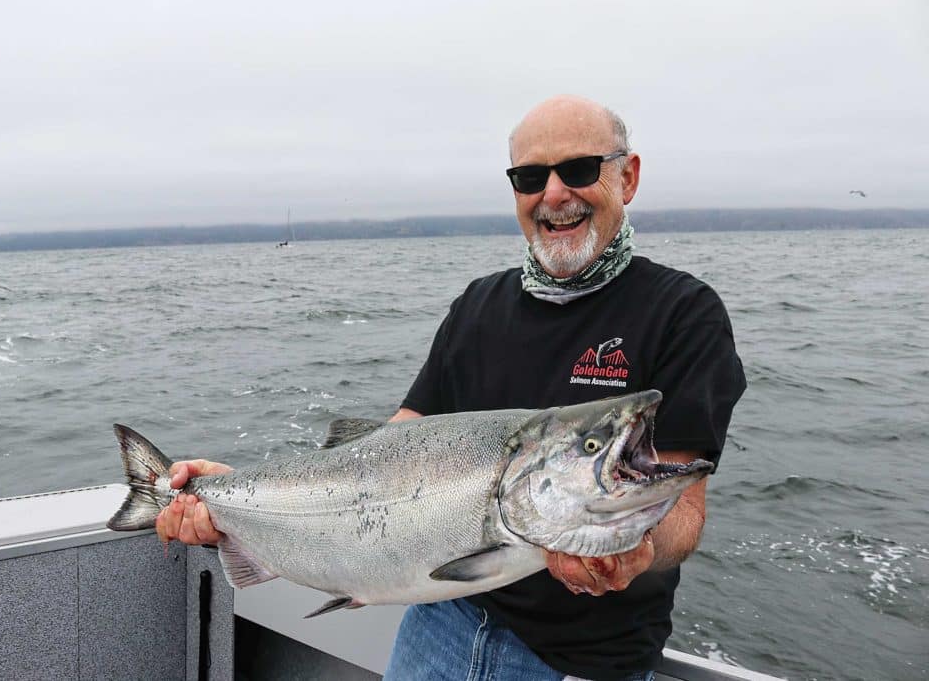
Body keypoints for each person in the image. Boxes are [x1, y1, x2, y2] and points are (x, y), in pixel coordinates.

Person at [156, 95, 747, 681]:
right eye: (530, 176)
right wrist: (232, 496)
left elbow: (681, 506)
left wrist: (637, 549)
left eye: (579, 170)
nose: (555, 194)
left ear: (629, 176)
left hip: (590, 661)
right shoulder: (478, 306)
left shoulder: (683, 313)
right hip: (443, 621)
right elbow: (396, 444)